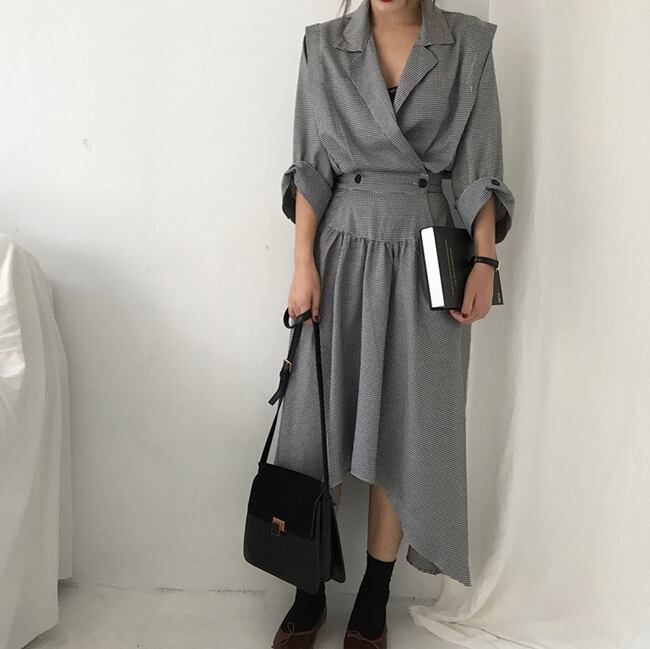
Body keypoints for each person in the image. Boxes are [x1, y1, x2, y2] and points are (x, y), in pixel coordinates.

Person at [271, 1, 515, 647]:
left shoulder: (467, 43)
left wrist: (485, 260)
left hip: (431, 254)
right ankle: (307, 587)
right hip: (342, 248)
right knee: (319, 423)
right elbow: (309, 166)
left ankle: (374, 595)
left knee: (410, 425)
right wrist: (302, 265)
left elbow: (480, 163)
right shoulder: (324, 44)